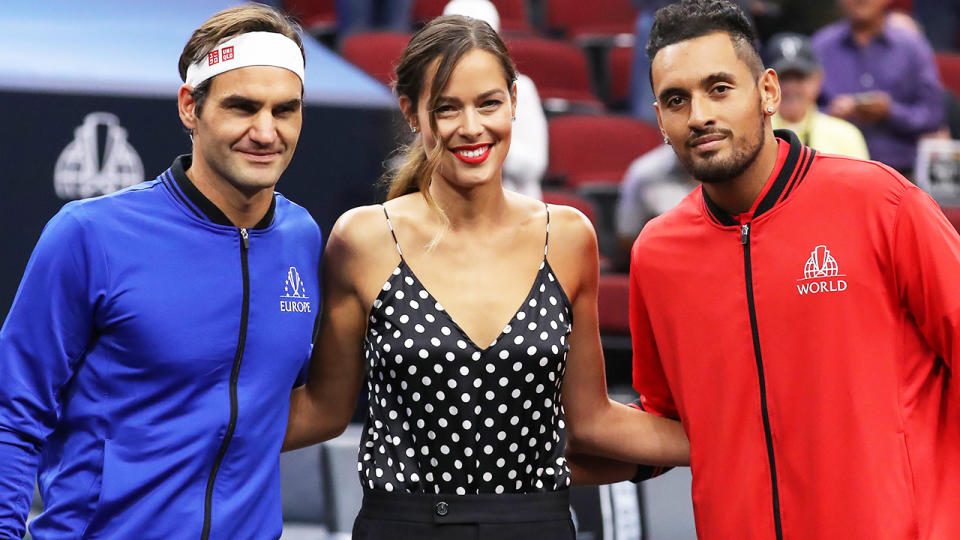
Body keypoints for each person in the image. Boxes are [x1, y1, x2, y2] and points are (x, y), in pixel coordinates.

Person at [282, 15, 688, 539]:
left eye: (488, 103)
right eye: (447, 108)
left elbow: (590, 420)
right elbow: (324, 409)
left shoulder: (566, 237)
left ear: (515, 102)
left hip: (535, 524)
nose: (471, 127)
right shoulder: (362, 239)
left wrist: (730, 439)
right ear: (412, 113)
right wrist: (192, 428)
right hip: (403, 525)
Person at [619, 0, 960, 538]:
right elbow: (667, 421)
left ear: (769, 93)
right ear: (660, 119)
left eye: (720, 88)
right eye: (676, 100)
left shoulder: (882, 203)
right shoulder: (656, 254)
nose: (700, 114)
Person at [0, 5, 322, 538]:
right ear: (189, 108)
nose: (265, 132)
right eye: (242, 107)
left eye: (284, 110)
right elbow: (12, 415)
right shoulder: (89, 234)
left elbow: (269, 404)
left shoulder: (302, 237)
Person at [813, 0, 944, 175]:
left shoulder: (912, 47)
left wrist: (890, 111)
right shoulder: (821, 46)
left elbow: (933, 115)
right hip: (833, 171)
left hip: (900, 173)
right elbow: (796, 111)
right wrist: (830, 115)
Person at [443, 0, 548, 200]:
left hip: (515, 204)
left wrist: (479, 148)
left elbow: (534, 165)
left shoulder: (522, 88)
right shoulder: (435, 87)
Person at [764, 32, 870, 159]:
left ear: (818, 79)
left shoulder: (845, 135)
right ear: (766, 83)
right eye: (783, 78)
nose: (791, 87)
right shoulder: (756, 134)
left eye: (800, 77)